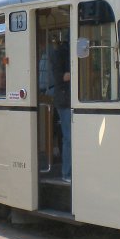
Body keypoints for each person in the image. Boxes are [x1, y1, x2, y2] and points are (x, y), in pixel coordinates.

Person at [50, 35, 71, 182]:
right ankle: (66, 173)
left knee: (68, 138)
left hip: (65, 99)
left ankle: (67, 172)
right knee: (68, 138)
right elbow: (59, 77)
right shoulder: (61, 53)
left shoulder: (60, 52)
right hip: (65, 100)